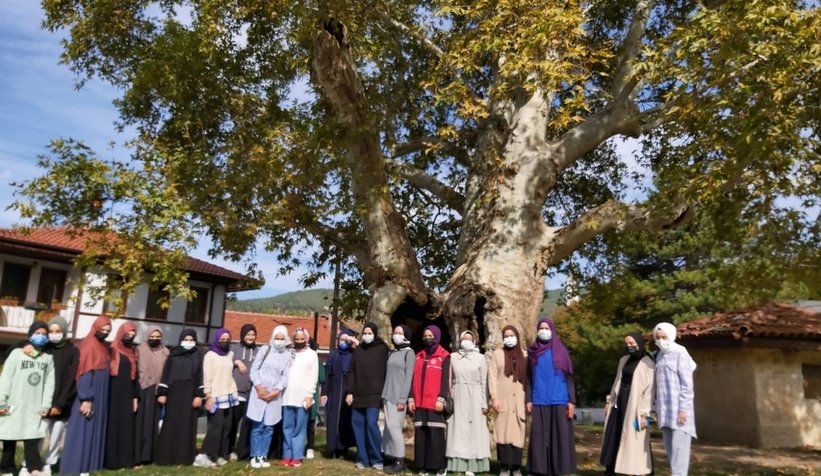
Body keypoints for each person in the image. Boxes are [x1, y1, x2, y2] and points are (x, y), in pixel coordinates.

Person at [0, 321, 55, 476]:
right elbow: (5, 378)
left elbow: (49, 384)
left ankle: (33, 469)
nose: (41, 337)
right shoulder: (17, 353)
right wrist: (1, 402)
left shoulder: (47, 359)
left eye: (44, 334)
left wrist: (46, 405)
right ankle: (7, 469)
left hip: (34, 404)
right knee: (9, 437)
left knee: (32, 436)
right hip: (13, 402)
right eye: (37, 333)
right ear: (30, 335)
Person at [61, 315, 112, 476]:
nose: (104, 332)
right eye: (102, 329)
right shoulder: (88, 346)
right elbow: (84, 373)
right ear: (95, 328)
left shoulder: (102, 346)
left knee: (93, 430)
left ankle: (87, 467)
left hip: (99, 393)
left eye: (107, 330)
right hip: (89, 393)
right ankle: (75, 467)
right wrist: (86, 398)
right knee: (82, 430)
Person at [526, 318, 577, 476]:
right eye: (541, 328)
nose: (543, 330)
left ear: (552, 330)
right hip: (539, 399)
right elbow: (528, 379)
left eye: (546, 328)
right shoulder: (533, 352)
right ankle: (539, 469)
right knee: (539, 438)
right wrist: (528, 399)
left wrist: (571, 401)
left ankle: (560, 469)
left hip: (559, 399)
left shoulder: (561, 350)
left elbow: (569, 377)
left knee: (559, 437)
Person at [600, 332, 655, 476]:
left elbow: (649, 391)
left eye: (632, 343)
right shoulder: (624, 360)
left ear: (640, 343)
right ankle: (611, 468)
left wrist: (645, 414)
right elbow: (617, 381)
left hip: (635, 405)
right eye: (627, 344)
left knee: (636, 436)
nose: (630, 346)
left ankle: (639, 469)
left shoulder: (648, 363)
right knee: (614, 434)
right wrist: (609, 401)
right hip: (619, 402)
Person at [154, 329, 205, 467]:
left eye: (191, 340)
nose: (188, 342)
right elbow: (166, 373)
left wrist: (199, 396)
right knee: (171, 424)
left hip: (190, 395)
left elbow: (200, 376)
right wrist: (163, 392)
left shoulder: (198, 355)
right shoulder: (173, 354)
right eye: (186, 339)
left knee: (186, 426)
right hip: (174, 394)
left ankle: (184, 458)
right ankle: (166, 457)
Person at [653, 322, 697, 476]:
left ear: (671, 336)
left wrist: (683, 409)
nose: (661, 340)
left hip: (679, 410)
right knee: (670, 448)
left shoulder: (680, 352)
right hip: (665, 410)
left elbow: (686, 384)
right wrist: (656, 408)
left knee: (680, 449)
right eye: (658, 338)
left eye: (664, 337)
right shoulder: (658, 355)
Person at [346, 322, 389, 470]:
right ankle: (362, 458)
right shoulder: (358, 350)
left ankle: (377, 458)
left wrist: (384, 393)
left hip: (375, 395)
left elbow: (387, 372)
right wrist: (349, 392)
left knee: (371, 425)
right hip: (358, 395)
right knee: (358, 426)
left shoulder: (382, 349)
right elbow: (351, 371)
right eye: (365, 332)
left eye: (370, 333)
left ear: (375, 333)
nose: (367, 335)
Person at [246, 325, 291, 469]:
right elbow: (254, 369)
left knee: (269, 428)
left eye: (281, 339)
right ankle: (254, 455)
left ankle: (263, 454)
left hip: (274, 396)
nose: (279, 341)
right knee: (258, 426)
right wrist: (259, 387)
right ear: (272, 338)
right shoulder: (265, 350)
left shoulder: (287, 355)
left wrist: (277, 390)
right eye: (276, 338)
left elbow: (285, 375)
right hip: (259, 394)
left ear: (285, 339)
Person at [408, 325, 450, 476]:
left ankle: (440, 466)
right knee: (421, 434)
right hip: (419, 402)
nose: (427, 338)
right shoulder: (419, 355)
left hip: (434, 403)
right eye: (425, 335)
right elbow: (412, 379)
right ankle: (422, 465)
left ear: (437, 336)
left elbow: (445, 380)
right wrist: (411, 398)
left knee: (435, 434)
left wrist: (441, 399)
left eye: (430, 335)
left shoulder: (444, 356)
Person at [446, 330, 490, 475]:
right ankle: (457, 463)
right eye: (464, 338)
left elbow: (484, 381)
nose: (466, 340)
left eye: (469, 338)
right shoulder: (452, 357)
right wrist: (449, 399)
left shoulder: (480, 358)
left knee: (474, 430)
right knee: (457, 429)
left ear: (474, 341)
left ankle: (473, 465)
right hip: (458, 394)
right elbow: (449, 380)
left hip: (475, 395)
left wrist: (484, 403)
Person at [195, 328, 239, 468]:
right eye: (222, 339)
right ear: (217, 339)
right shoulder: (210, 355)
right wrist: (208, 396)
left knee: (226, 427)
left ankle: (218, 454)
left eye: (227, 339)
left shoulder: (230, 354)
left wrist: (238, 362)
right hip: (215, 396)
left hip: (229, 395)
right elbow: (207, 377)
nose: (225, 342)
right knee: (216, 427)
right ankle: (203, 455)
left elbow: (230, 366)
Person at [42, 316, 79, 474]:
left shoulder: (72, 351)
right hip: (42, 401)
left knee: (56, 438)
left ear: (63, 332)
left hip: (61, 404)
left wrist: (60, 404)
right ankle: (32, 463)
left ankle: (49, 463)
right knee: (37, 436)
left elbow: (71, 379)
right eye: (51, 331)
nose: (54, 334)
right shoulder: (44, 348)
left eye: (57, 331)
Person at [488, 325, 527, 476]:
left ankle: (516, 467)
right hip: (502, 399)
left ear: (517, 336)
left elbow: (529, 378)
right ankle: (504, 466)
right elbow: (492, 376)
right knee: (503, 432)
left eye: (512, 335)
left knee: (518, 432)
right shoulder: (498, 354)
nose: (509, 338)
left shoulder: (525, 355)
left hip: (519, 400)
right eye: (506, 336)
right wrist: (494, 397)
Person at [104, 321, 140, 470]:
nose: (130, 337)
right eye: (127, 334)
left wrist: (135, 397)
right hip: (113, 394)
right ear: (121, 334)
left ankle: (125, 460)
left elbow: (135, 377)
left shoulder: (134, 352)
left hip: (127, 395)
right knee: (112, 427)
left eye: (132, 335)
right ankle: (112, 462)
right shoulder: (112, 350)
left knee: (126, 427)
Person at [281, 326, 318, 468]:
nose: (299, 341)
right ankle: (287, 455)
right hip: (287, 396)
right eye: (297, 339)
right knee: (287, 427)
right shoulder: (289, 352)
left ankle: (297, 456)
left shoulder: (311, 354)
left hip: (303, 397)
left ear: (307, 339)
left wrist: (310, 395)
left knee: (299, 428)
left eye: (302, 339)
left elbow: (313, 376)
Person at [381, 325, 414, 474]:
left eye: (399, 333)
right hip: (387, 395)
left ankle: (400, 460)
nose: (396, 334)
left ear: (406, 335)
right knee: (388, 429)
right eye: (395, 332)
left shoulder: (409, 353)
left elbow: (408, 378)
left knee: (395, 428)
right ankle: (389, 457)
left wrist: (403, 399)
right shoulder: (392, 352)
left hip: (398, 397)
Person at [135, 325, 168, 465]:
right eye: (152, 337)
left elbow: (167, 373)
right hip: (142, 389)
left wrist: (163, 391)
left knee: (153, 424)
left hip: (157, 391)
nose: (155, 339)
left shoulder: (165, 352)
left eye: (157, 337)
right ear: (147, 336)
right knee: (140, 423)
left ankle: (149, 455)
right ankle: (138, 454)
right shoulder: (138, 350)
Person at [321, 328, 357, 458]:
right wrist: (324, 393)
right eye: (341, 339)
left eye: (345, 339)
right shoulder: (333, 355)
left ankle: (342, 449)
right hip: (333, 392)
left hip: (347, 394)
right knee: (332, 420)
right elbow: (326, 375)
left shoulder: (354, 355)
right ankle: (330, 448)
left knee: (344, 421)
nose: (342, 342)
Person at [228, 323, 259, 461]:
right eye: (248, 334)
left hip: (252, 394)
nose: (250, 337)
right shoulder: (234, 349)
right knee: (233, 423)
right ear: (243, 335)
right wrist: (236, 362)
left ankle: (243, 450)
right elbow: (225, 361)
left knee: (246, 426)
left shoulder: (258, 351)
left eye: (253, 334)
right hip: (236, 393)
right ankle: (229, 449)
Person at [305, 337, 325, 460]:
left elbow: (322, 378)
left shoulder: (317, 361)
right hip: (297, 395)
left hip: (311, 395)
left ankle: (310, 447)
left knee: (310, 424)